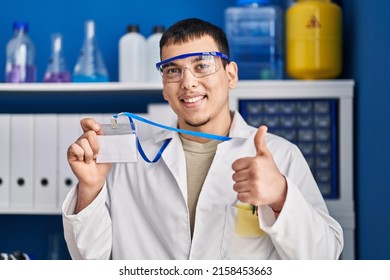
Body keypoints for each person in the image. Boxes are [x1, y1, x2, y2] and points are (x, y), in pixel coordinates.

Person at [62, 18, 343, 260]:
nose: (188, 82)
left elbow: (324, 257)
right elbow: (91, 260)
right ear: (164, 87)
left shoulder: (281, 156)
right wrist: (90, 187)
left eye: (202, 65)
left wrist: (281, 196)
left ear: (230, 75)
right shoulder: (129, 161)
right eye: (173, 70)